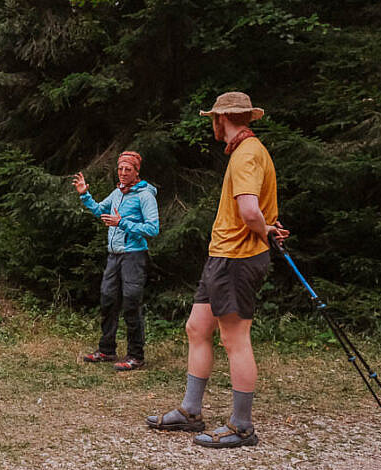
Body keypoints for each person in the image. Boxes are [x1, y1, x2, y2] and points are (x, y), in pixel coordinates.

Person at [147, 92, 287, 448]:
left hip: (237, 259)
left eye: (213, 118)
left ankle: (242, 426)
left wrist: (265, 230)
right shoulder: (248, 153)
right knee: (197, 328)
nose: (212, 123)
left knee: (234, 338)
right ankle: (191, 412)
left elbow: (251, 211)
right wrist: (265, 228)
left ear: (221, 118)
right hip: (222, 257)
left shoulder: (247, 155)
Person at [74, 151, 159, 371]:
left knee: (131, 303)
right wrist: (85, 195)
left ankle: (136, 356)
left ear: (136, 171)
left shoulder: (145, 195)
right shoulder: (118, 192)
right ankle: (106, 350)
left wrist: (122, 223)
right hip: (114, 255)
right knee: (108, 299)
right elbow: (100, 210)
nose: (122, 173)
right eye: (120, 169)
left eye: (127, 169)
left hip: (134, 256)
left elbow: (153, 228)